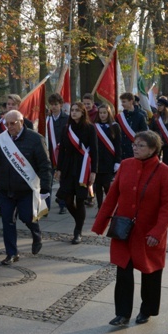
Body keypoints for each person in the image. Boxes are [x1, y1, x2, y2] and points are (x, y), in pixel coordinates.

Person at [92, 130, 168, 326]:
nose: (135, 148)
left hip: (149, 233)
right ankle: (122, 314)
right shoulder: (126, 165)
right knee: (123, 272)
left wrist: (157, 232)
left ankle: (147, 310)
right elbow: (112, 196)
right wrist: (100, 223)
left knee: (150, 272)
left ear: (153, 149)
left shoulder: (164, 172)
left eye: (141, 146)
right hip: (124, 231)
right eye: (134, 144)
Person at [0, 110, 52, 265]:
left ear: (21, 122)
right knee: (7, 221)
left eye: (13, 123)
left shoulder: (36, 139)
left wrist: (45, 188)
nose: (9, 127)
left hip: (26, 189)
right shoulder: (2, 140)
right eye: (6, 124)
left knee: (26, 217)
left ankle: (36, 233)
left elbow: (45, 165)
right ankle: (12, 253)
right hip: (6, 189)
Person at [54, 102, 98, 244]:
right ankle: (79, 220)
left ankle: (77, 231)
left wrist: (94, 172)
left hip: (83, 168)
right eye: (72, 110)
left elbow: (95, 151)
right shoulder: (66, 128)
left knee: (79, 200)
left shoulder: (90, 128)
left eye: (77, 111)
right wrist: (58, 169)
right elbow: (61, 152)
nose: (74, 113)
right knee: (66, 199)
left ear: (83, 112)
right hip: (67, 167)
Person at [93, 104, 121, 209]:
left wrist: (117, 161)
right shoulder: (94, 126)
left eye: (104, 113)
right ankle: (100, 208)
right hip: (98, 161)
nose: (102, 115)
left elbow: (118, 145)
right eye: (100, 113)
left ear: (109, 113)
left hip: (109, 160)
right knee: (97, 186)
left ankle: (110, 207)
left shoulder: (115, 126)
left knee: (107, 186)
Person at [45, 93, 69, 214]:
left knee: (63, 181)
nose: (54, 107)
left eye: (56, 104)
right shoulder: (47, 120)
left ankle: (63, 204)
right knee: (48, 181)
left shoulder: (67, 118)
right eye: (52, 105)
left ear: (61, 105)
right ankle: (46, 206)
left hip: (63, 154)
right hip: (49, 155)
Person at [116, 92, 148, 160]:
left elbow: (144, 133)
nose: (122, 104)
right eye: (122, 102)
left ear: (131, 101)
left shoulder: (140, 116)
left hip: (135, 149)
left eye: (124, 102)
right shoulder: (119, 117)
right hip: (122, 150)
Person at [149, 97, 168, 166]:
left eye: (160, 105)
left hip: (167, 142)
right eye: (158, 105)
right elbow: (151, 130)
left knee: (165, 162)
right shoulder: (155, 117)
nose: (158, 107)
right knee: (155, 161)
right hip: (157, 142)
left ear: (164, 106)